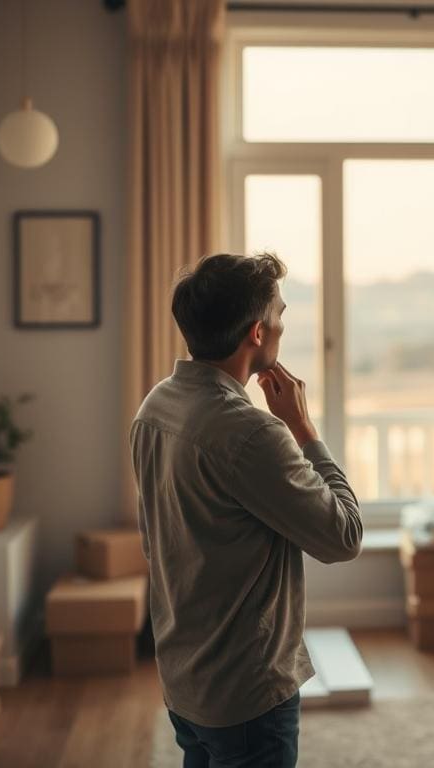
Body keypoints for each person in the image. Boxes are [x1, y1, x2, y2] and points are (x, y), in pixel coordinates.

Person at [130, 252, 362, 767]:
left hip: (183, 676)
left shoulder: (155, 407)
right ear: (257, 332)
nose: (283, 324)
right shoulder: (252, 432)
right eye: (280, 313)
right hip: (245, 693)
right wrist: (303, 428)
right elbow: (345, 537)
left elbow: (155, 540)